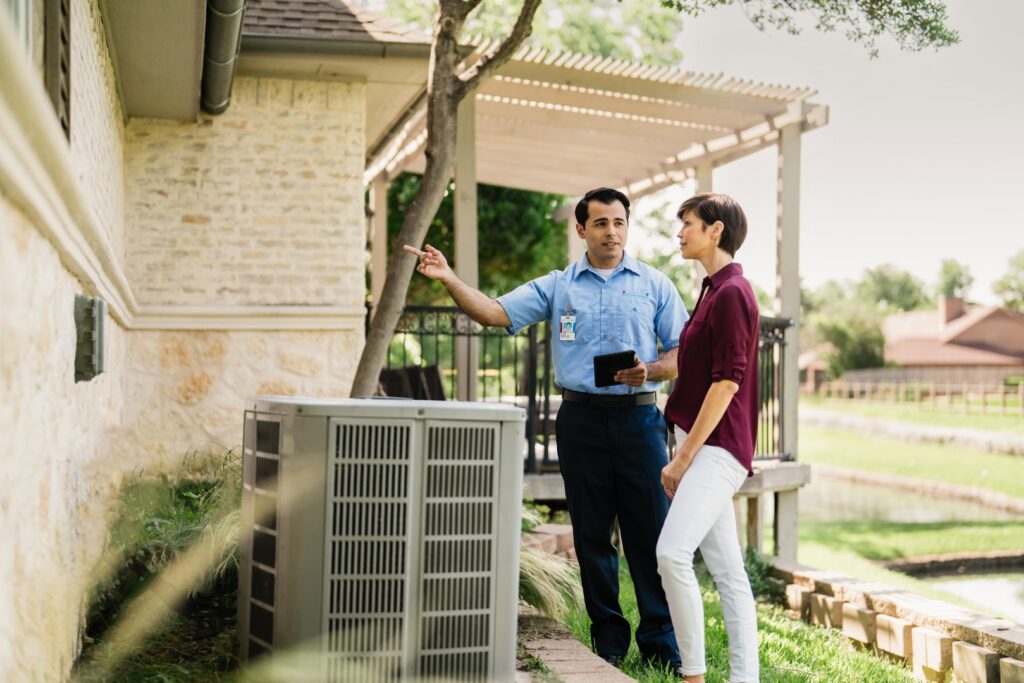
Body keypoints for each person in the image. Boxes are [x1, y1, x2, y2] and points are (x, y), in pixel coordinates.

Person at [405, 187, 686, 671]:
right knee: (592, 537)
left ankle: (661, 647)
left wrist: (652, 371)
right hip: (580, 422)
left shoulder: (654, 284)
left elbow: (683, 353)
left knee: (650, 536)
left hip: (640, 420)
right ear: (581, 230)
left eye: (618, 222)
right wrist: (448, 277)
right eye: (600, 223)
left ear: (627, 227)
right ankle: (609, 645)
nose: (611, 232)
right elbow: (495, 313)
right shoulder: (559, 286)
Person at [657, 193, 761, 683]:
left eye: (688, 223)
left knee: (671, 553)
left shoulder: (734, 293)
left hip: (717, 451)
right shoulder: (710, 290)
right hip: (702, 445)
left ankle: (692, 675)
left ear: (715, 230)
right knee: (729, 574)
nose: (680, 232)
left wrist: (683, 459)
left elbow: (727, 383)